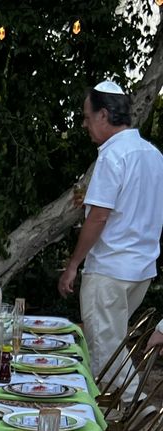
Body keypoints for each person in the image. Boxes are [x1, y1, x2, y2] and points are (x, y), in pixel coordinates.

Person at [58, 80, 163, 393]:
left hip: (109, 272)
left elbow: (99, 216)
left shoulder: (112, 156)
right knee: (109, 346)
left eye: (88, 118)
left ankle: (138, 415)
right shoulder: (153, 156)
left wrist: (73, 263)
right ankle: (110, 416)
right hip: (140, 272)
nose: (85, 125)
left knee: (106, 356)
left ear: (104, 115)